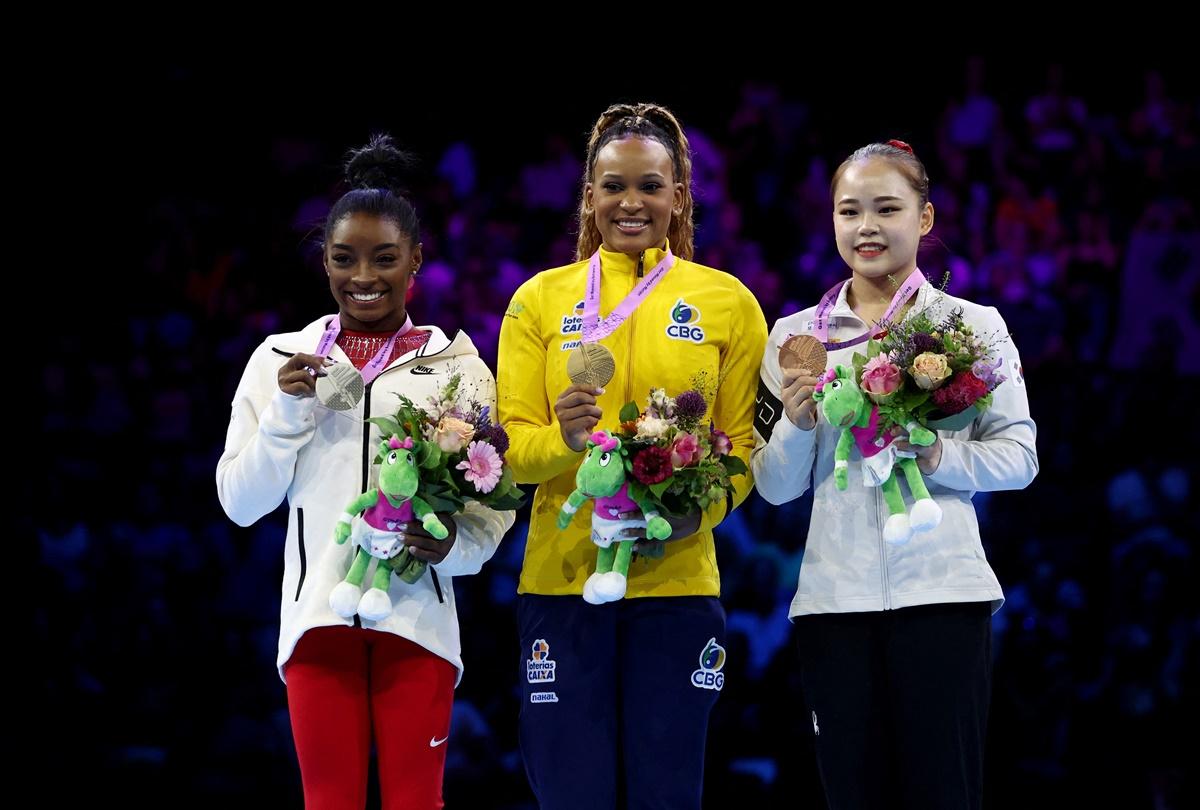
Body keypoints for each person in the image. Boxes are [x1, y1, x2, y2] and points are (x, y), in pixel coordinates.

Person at [216, 134, 513, 809]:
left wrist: (455, 550)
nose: (364, 277)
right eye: (344, 259)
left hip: (418, 624)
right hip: (319, 623)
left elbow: (490, 507)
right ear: (323, 261)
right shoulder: (279, 359)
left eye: (385, 259)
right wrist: (289, 410)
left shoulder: (459, 370)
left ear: (416, 262)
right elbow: (239, 502)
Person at [751, 139, 1038, 810]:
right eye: (849, 211)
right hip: (833, 604)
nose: (867, 227)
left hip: (945, 596)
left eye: (887, 208)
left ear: (925, 218)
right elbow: (774, 486)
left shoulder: (972, 327)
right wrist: (795, 421)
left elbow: (1019, 458)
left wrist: (938, 458)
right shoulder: (795, 336)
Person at [497, 102, 768, 809]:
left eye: (650, 185)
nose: (631, 202)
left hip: (677, 586)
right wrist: (564, 439)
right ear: (588, 195)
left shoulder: (728, 302)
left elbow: (742, 450)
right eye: (613, 185)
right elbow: (509, 455)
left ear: (679, 196)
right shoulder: (538, 300)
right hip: (561, 586)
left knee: (667, 795)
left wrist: (692, 517)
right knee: (570, 795)